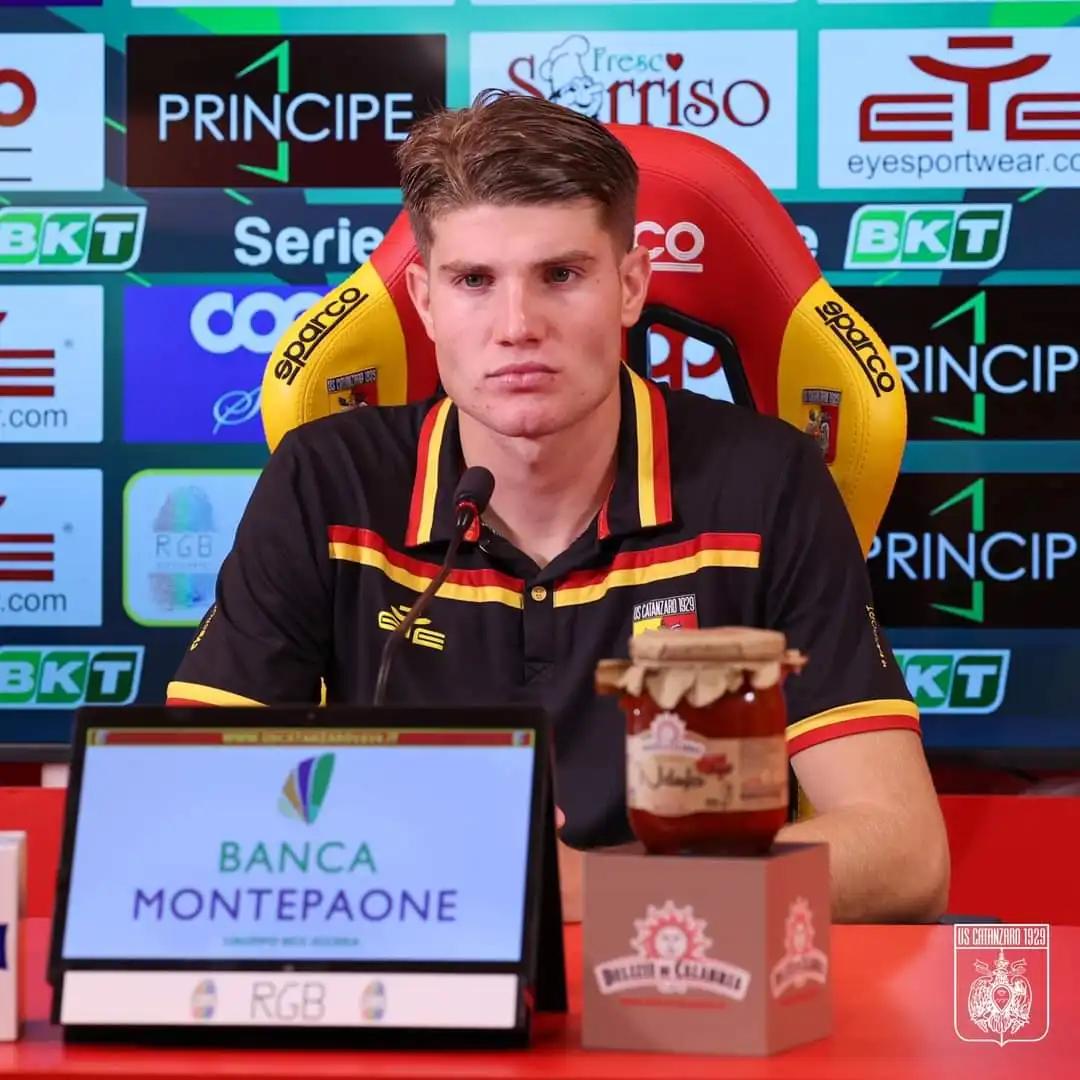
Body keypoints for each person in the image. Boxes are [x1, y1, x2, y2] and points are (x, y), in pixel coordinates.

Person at [167, 89, 950, 925]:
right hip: (416, 958)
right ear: (426, 302)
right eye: (474, 281)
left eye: (562, 276)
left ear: (630, 286)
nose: (518, 326)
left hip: (684, 967)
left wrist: (593, 891)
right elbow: (190, 806)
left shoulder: (767, 481)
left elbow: (905, 855)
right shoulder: (327, 480)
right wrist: (434, 871)